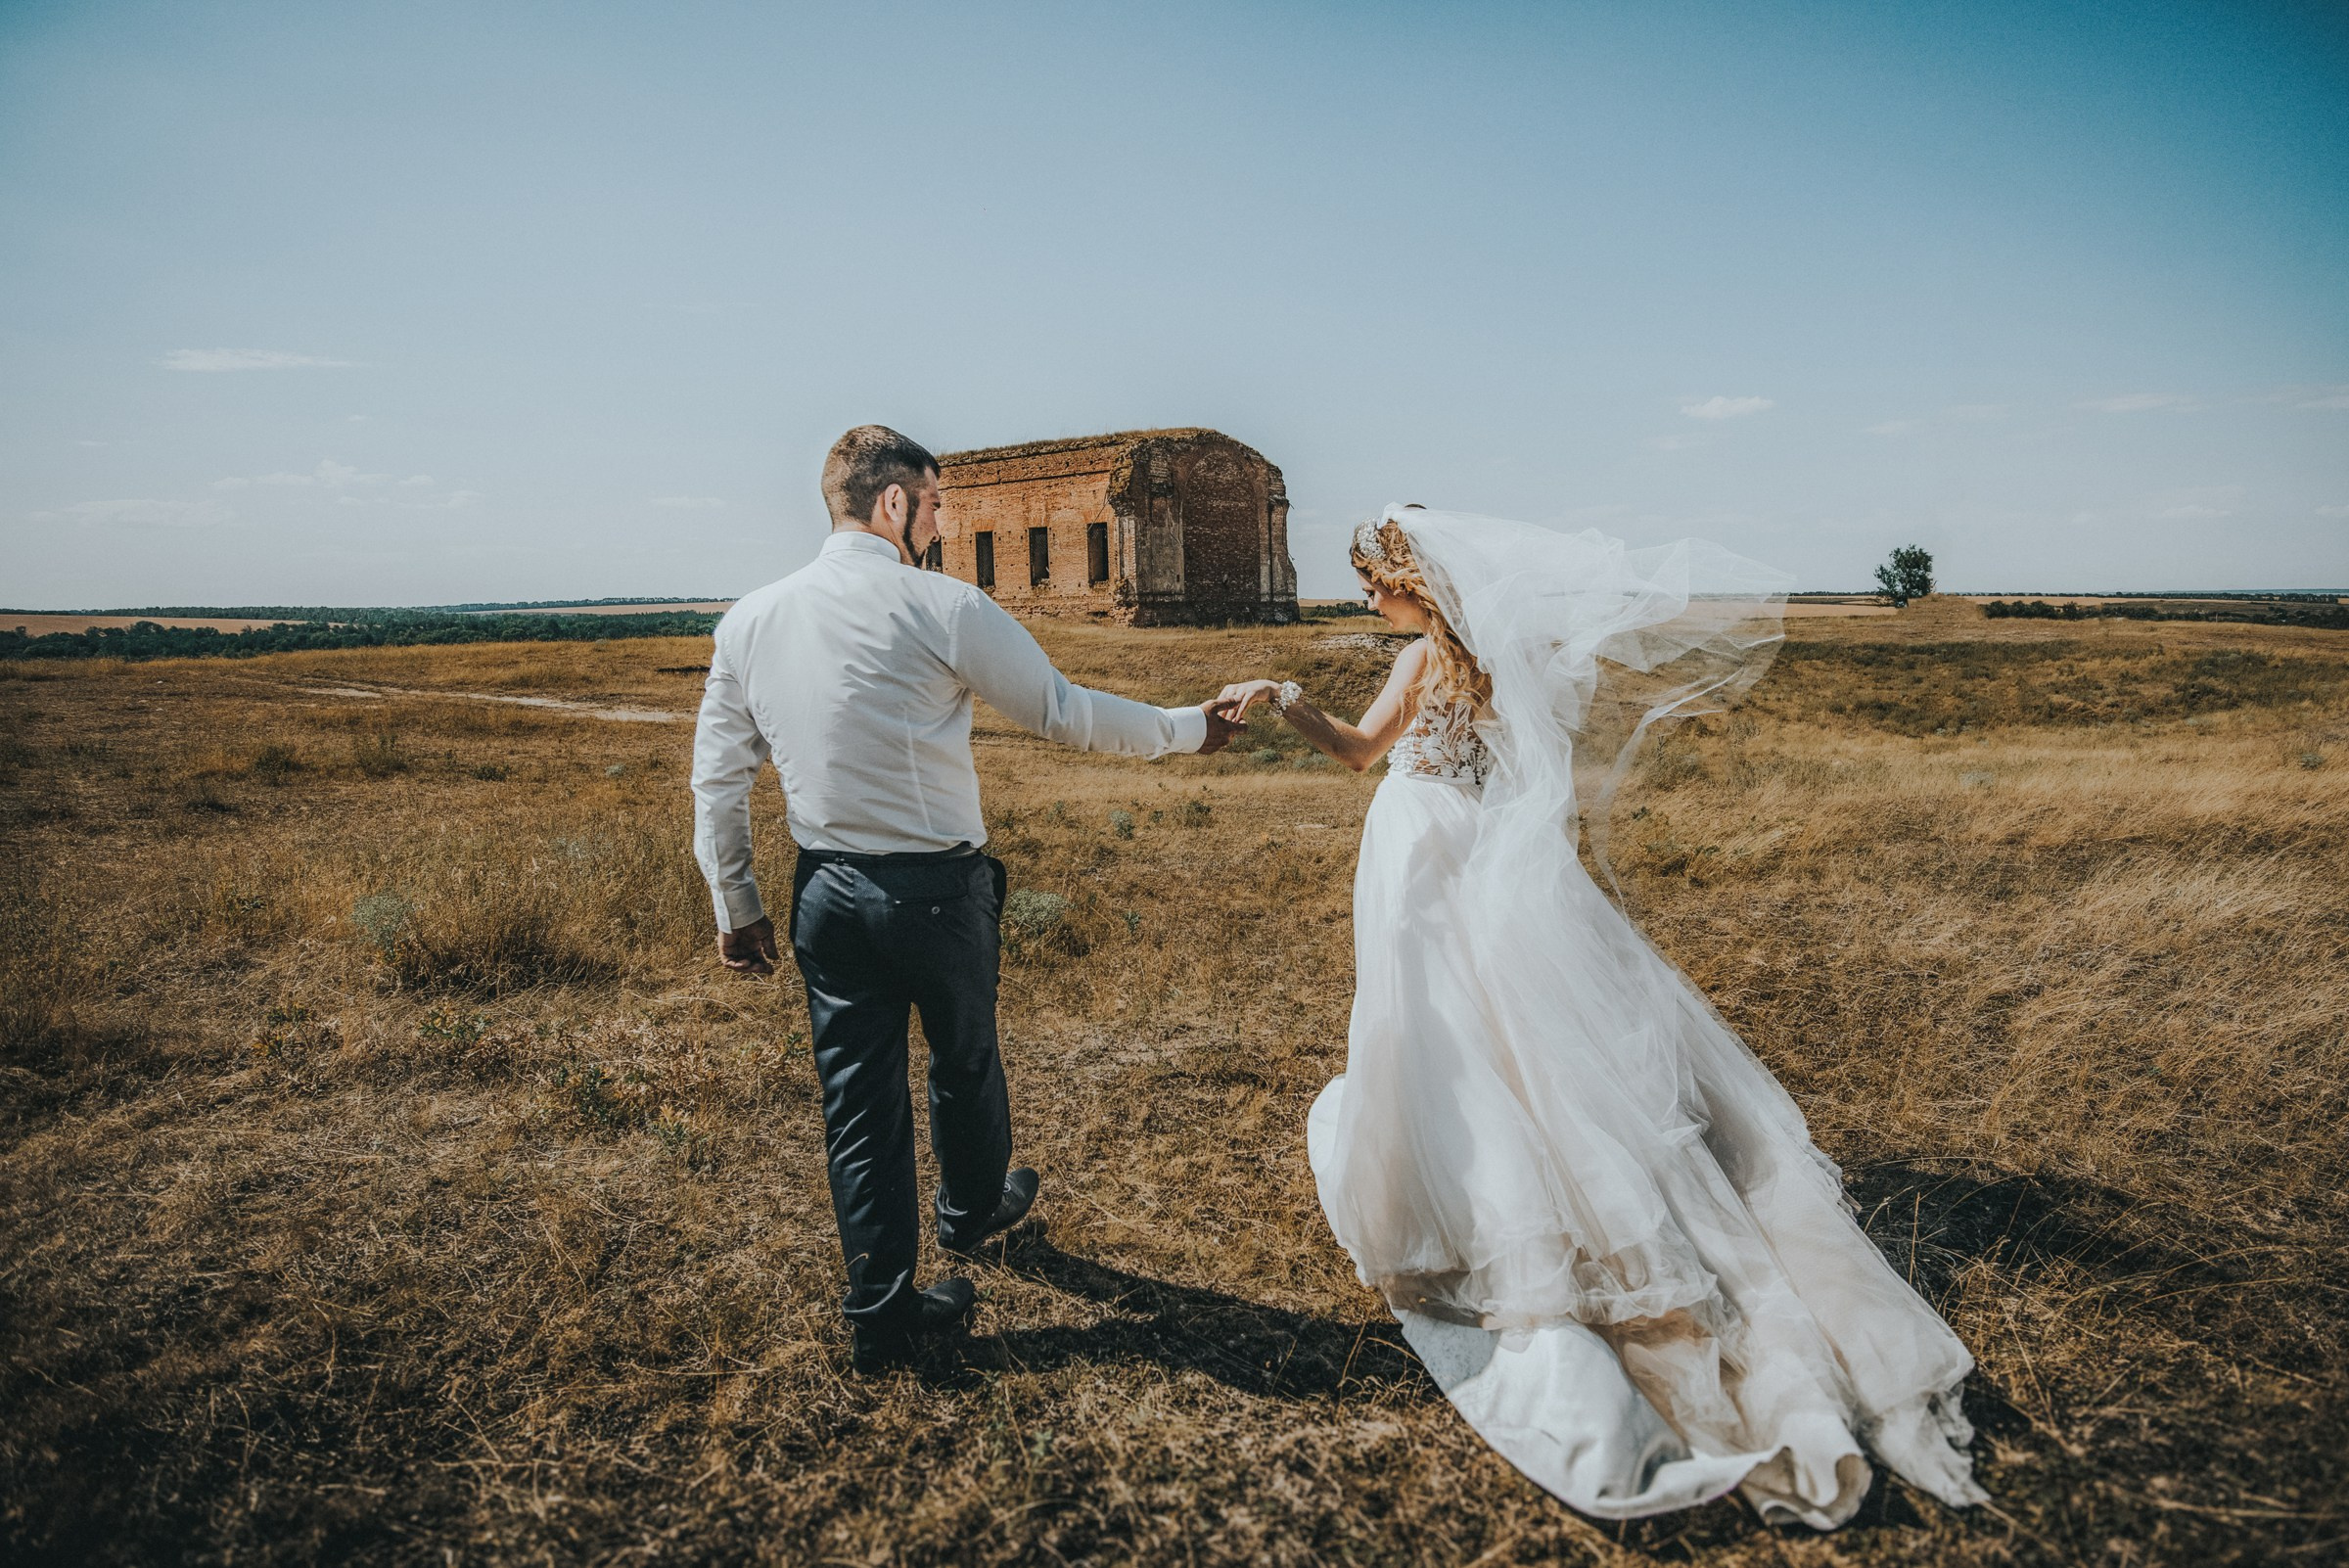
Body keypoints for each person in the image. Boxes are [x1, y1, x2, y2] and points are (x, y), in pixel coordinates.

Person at [1213, 506, 1988, 1527]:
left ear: (1415, 581)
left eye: (1374, 581)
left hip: (1421, 849)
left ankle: (1479, 1188)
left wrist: (1286, 699)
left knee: (1441, 1021)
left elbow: (1359, 754)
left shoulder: (1415, 663)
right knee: (1510, 1021)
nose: (1367, 596)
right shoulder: (1498, 656)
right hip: (1482, 847)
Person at [691, 425, 1244, 1372]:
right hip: (934, 888)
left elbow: (719, 777)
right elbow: (1061, 712)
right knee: (965, 1057)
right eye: (938, 504)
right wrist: (1189, 729)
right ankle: (972, 1209)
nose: (945, 524)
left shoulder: (750, 618)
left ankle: (882, 1314)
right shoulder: (943, 604)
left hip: (824, 889)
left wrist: (735, 904)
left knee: (857, 1106)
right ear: (896, 504)